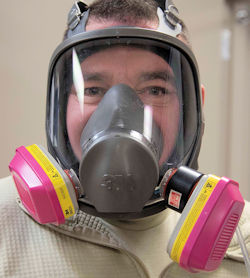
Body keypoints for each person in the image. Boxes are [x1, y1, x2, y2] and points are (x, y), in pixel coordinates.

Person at [1, 0, 250, 277]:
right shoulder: (4, 222)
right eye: (93, 89)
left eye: (155, 90)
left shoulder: (240, 239)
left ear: (194, 108)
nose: (119, 111)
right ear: (59, 109)